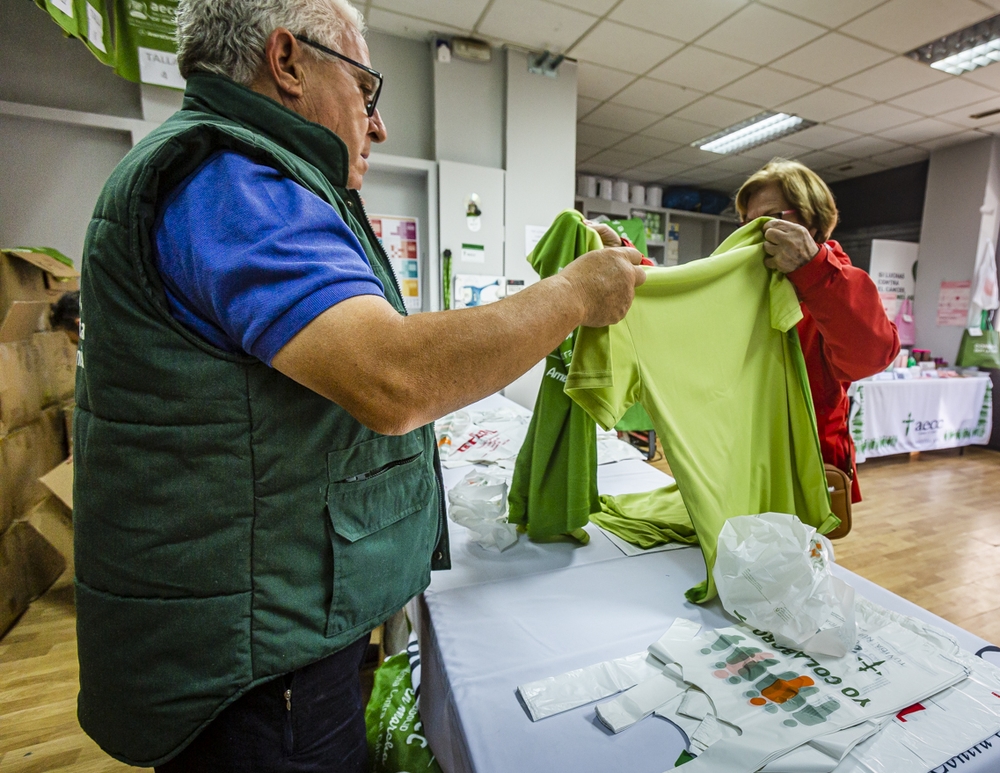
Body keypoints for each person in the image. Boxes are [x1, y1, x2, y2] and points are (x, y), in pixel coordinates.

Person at [71, 1, 646, 771]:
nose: (377, 126)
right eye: (367, 91)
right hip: (257, 662)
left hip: (248, 625)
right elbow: (395, 376)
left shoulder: (232, 177)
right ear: (288, 61)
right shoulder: (238, 185)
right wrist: (574, 297)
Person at [735, 159, 900, 503]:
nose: (752, 233)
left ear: (810, 219)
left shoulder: (836, 281)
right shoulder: (750, 281)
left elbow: (869, 357)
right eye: (746, 223)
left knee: (797, 555)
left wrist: (813, 271)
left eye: (769, 220)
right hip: (742, 453)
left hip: (806, 463)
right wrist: (626, 257)